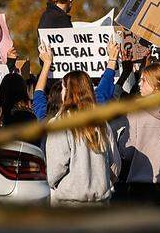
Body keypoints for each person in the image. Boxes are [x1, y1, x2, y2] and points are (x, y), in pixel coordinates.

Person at [44, 71, 121, 206]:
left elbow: (55, 168)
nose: (61, 92)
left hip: (70, 204)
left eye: (63, 88)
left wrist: (57, 183)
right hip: (100, 202)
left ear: (68, 91)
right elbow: (115, 164)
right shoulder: (102, 124)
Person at [118, 62, 160, 207]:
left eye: (143, 80)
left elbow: (128, 151)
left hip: (141, 180)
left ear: (156, 84)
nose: (139, 83)